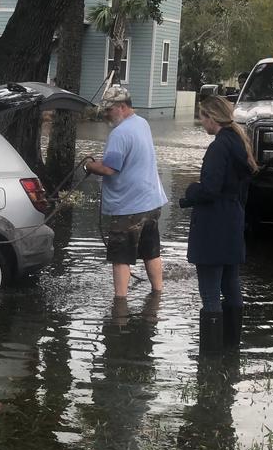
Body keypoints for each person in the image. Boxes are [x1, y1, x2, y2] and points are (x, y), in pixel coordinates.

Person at [179, 95, 257, 353]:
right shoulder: (239, 143)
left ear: (212, 118)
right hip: (233, 221)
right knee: (231, 286)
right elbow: (241, 189)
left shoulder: (218, 147)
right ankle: (232, 350)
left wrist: (190, 191)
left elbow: (210, 189)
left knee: (210, 292)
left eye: (202, 117)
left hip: (213, 225)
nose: (202, 122)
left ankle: (210, 358)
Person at [82, 85, 168, 297]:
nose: (105, 114)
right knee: (151, 252)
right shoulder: (142, 123)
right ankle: (157, 294)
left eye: (109, 109)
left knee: (120, 258)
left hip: (128, 207)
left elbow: (109, 169)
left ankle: (119, 304)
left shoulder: (119, 133)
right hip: (152, 202)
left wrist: (89, 166)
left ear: (122, 107)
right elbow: (127, 160)